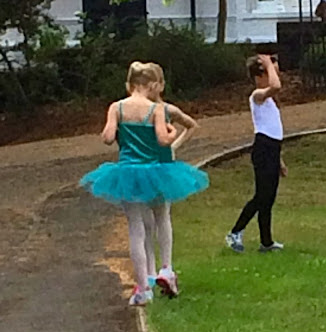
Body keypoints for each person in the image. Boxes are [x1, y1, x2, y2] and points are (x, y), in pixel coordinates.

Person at [80, 62, 209, 305]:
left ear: (129, 85)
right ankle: (166, 269)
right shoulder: (156, 109)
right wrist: (172, 135)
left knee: (136, 228)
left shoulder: (116, 107)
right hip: (154, 170)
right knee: (162, 216)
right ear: (150, 85)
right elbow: (163, 140)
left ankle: (143, 288)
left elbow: (107, 138)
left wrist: (118, 129)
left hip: (127, 171)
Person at [142, 62, 200, 298]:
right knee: (149, 221)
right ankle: (154, 269)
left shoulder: (165, 110)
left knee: (159, 216)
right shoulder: (142, 110)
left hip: (160, 166)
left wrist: (175, 145)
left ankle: (163, 268)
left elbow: (192, 125)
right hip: (149, 167)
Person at [225, 55, 287, 254]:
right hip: (262, 149)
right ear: (260, 77)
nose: (275, 77)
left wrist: (279, 159)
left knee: (268, 198)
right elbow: (276, 86)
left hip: (272, 149)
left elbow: (274, 130)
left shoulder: (270, 102)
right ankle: (235, 231)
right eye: (270, 73)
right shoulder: (257, 96)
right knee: (261, 196)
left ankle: (266, 241)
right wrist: (269, 64)